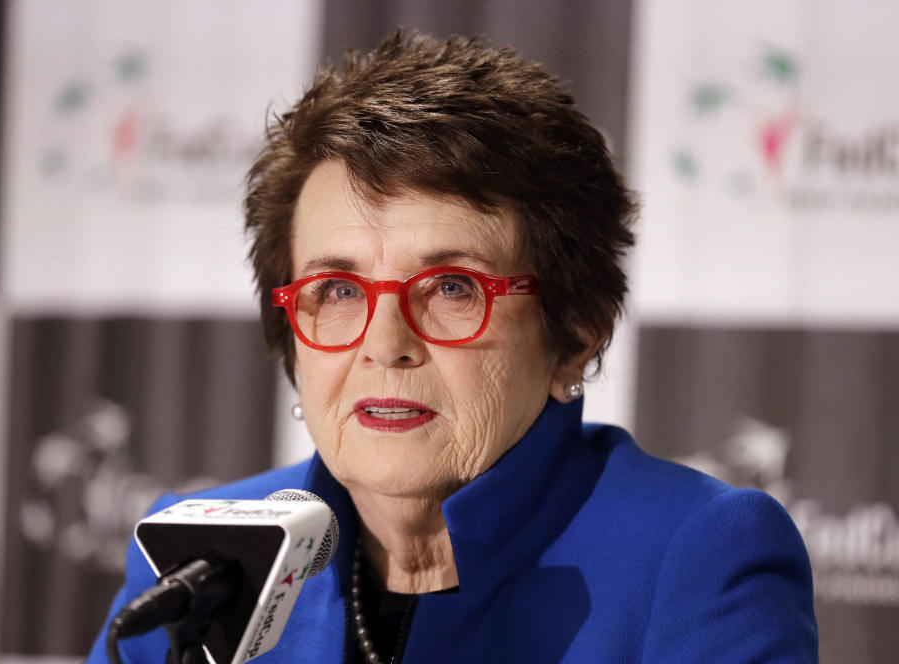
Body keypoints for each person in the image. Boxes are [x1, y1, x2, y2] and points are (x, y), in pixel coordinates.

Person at [88, 30, 817, 663]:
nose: (385, 344)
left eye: (451, 288)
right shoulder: (198, 560)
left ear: (576, 332)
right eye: (338, 292)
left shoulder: (698, 557)